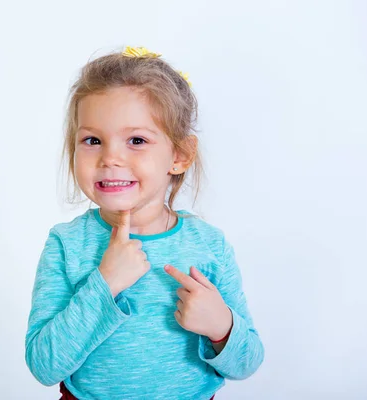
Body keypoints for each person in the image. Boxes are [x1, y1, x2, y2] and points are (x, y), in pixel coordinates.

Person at [25, 46, 264, 400]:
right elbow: (44, 365)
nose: (110, 158)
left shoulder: (209, 246)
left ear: (180, 155)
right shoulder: (67, 244)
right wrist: (105, 284)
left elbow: (247, 363)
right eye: (93, 140)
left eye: (136, 140)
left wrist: (222, 327)